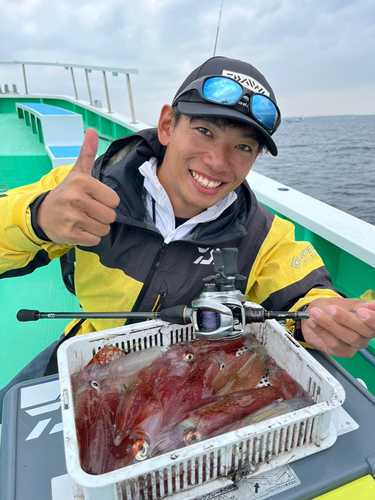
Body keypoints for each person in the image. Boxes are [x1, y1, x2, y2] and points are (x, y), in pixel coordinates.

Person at [1, 56, 374, 419]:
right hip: (89, 356)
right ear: (167, 125)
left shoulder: (264, 234)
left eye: (243, 147)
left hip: (187, 383)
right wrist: (37, 218)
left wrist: (327, 318)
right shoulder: (87, 189)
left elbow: (307, 297)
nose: (217, 161)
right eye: (204, 131)